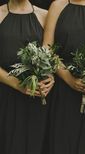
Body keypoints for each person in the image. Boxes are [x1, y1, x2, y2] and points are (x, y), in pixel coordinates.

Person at [42, 0, 85, 153]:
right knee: (62, 141)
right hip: (63, 88)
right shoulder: (57, 6)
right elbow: (47, 48)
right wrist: (68, 77)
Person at [0, 0, 54, 154]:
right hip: (5, 97)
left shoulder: (45, 15)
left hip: (37, 98)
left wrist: (51, 76)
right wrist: (18, 84)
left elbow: (51, 54)